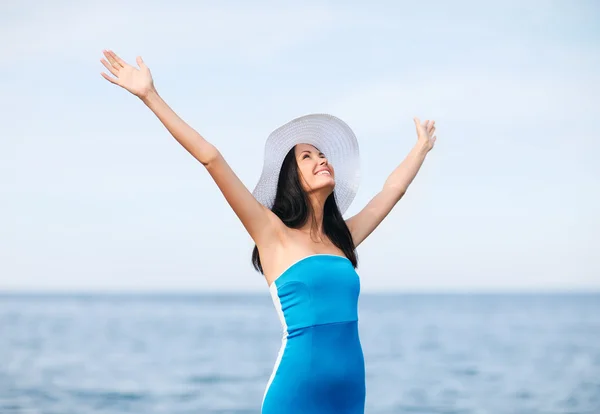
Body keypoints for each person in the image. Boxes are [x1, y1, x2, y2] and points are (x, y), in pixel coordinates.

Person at [100, 49, 437, 414]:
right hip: (297, 391)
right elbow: (211, 157)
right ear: (292, 179)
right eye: (307, 157)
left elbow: (392, 192)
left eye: (322, 154)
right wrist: (151, 96)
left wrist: (420, 148)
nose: (321, 159)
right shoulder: (271, 233)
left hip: (350, 392)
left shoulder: (342, 239)